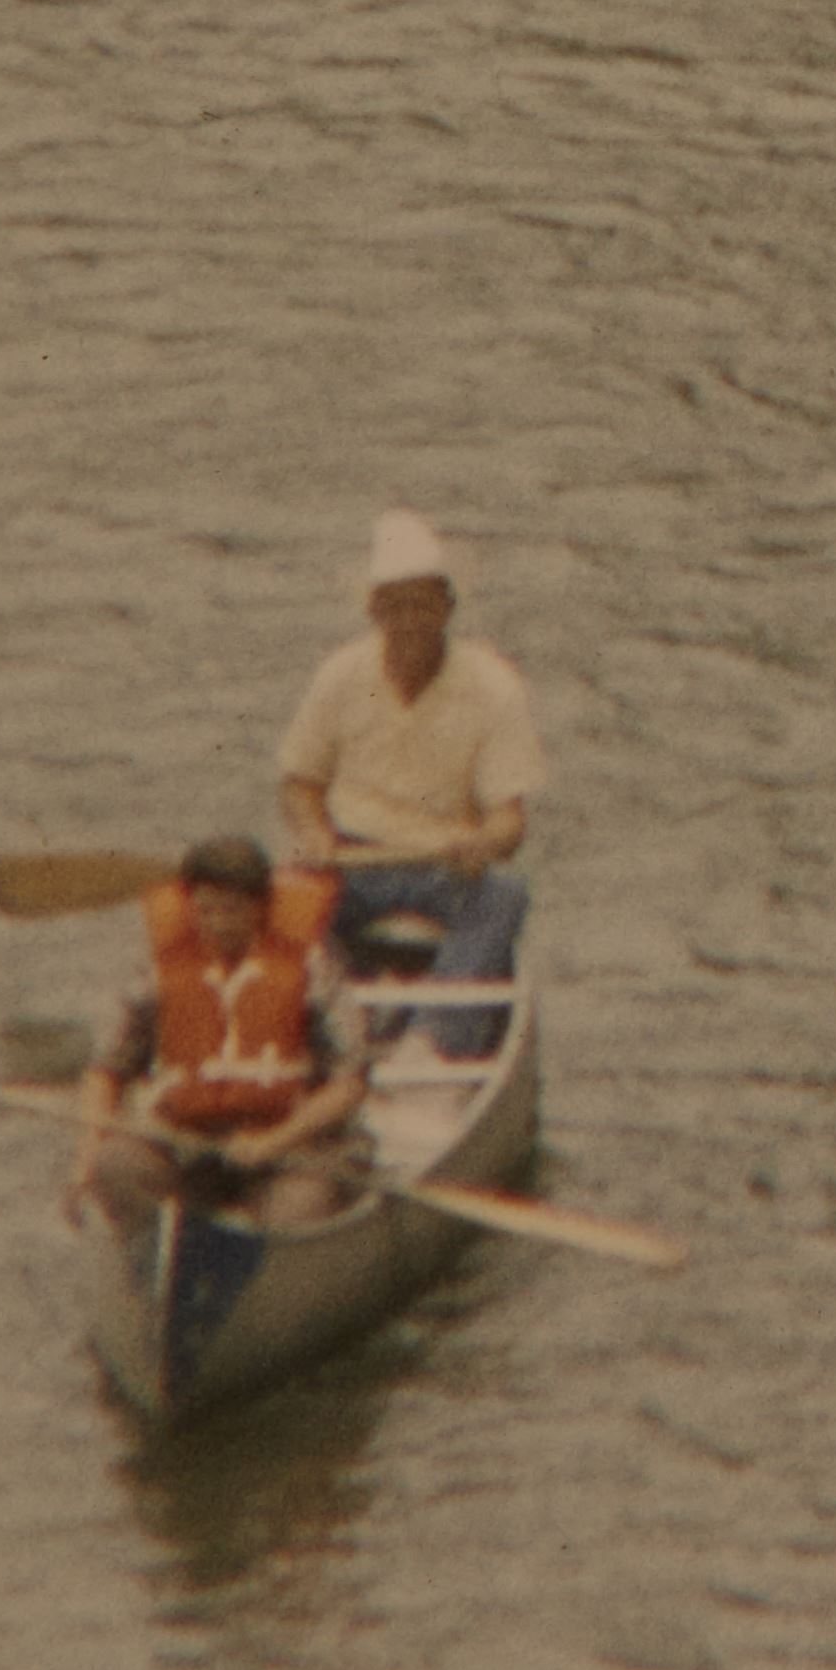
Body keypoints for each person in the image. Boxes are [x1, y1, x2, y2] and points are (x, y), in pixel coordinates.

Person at [274, 506, 541, 1057]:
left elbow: (509, 821)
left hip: (443, 861)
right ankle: (325, 1031)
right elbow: (300, 783)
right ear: (374, 610)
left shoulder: (495, 686)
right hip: (351, 857)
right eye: (395, 605)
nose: (410, 620)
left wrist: (483, 842)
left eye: (424, 603)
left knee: (503, 898)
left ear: (448, 606)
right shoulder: (341, 674)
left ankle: (432, 1040)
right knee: (281, 904)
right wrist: (314, 832)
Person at [77, 835, 364, 1221]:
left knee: (296, 1209)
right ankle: (160, 1236)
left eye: (231, 910)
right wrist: (87, 1154)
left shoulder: (314, 970)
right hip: (189, 1145)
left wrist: (273, 1141)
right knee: (116, 1163)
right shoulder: (158, 973)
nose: (217, 924)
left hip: (292, 1148)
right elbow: (106, 1070)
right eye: (205, 910)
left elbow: (349, 1085)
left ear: (260, 907)